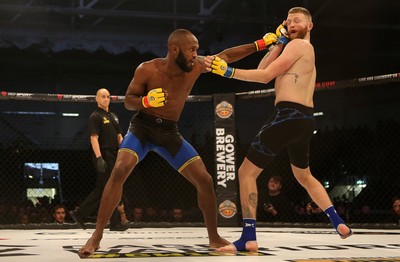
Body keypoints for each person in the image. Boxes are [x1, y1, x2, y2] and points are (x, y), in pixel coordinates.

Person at [79, 28, 269, 255]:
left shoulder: (196, 65)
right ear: (174, 48)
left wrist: (260, 43)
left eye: (197, 49)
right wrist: (147, 101)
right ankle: (96, 236)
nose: (195, 54)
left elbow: (226, 56)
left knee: (205, 180)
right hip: (142, 128)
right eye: (191, 49)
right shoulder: (147, 69)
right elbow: (129, 101)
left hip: (169, 132)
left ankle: (214, 236)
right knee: (119, 171)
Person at [205, 7, 352, 252]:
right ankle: (337, 222)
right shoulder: (299, 50)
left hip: (287, 115)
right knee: (304, 175)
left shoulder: (299, 47)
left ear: (310, 26)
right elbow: (265, 66)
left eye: (297, 20)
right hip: (304, 120)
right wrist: (277, 44)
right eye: (288, 21)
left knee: (246, 173)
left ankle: (248, 237)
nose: (292, 24)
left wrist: (227, 71)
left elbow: (263, 77)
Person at [70, 88, 128, 231]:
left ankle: (82, 214)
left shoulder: (113, 116)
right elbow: (93, 138)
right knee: (107, 188)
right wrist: (99, 158)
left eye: (108, 96)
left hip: (115, 155)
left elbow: (119, 136)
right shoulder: (95, 116)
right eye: (103, 96)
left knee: (107, 189)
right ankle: (81, 214)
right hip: (103, 154)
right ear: (97, 99)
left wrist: (123, 153)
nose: (106, 99)